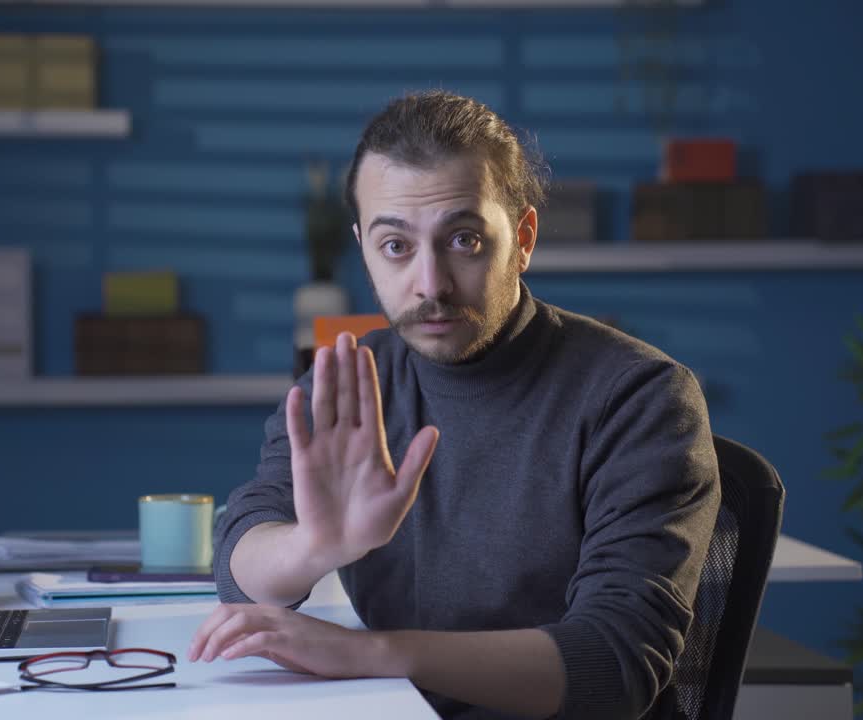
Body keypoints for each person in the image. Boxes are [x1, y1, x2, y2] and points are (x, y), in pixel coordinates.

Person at [187, 90, 720, 720]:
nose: (431, 284)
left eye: (463, 240)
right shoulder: (351, 382)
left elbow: (612, 666)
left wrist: (370, 653)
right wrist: (314, 546)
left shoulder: (640, 397)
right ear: (363, 247)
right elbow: (240, 564)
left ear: (522, 238)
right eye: (396, 246)